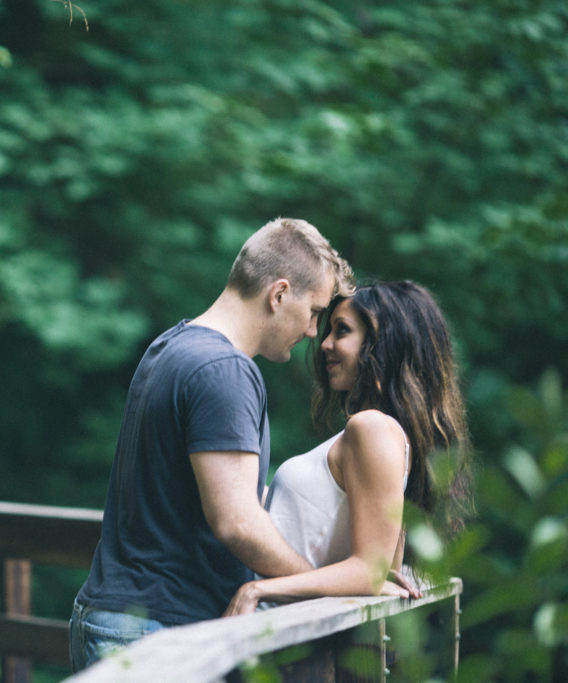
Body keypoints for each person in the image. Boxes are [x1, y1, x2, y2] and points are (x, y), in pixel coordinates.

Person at [69, 218, 355, 671]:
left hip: (126, 622)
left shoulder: (171, 346)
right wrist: (319, 584)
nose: (311, 331)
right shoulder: (225, 370)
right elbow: (237, 523)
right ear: (279, 294)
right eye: (315, 312)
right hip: (153, 631)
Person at [224, 281, 471, 615]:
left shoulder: (371, 428)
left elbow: (369, 571)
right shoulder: (379, 433)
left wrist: (257, 589)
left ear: (383, 344)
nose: (324, 343)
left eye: (342, 331)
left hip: (278, 631)